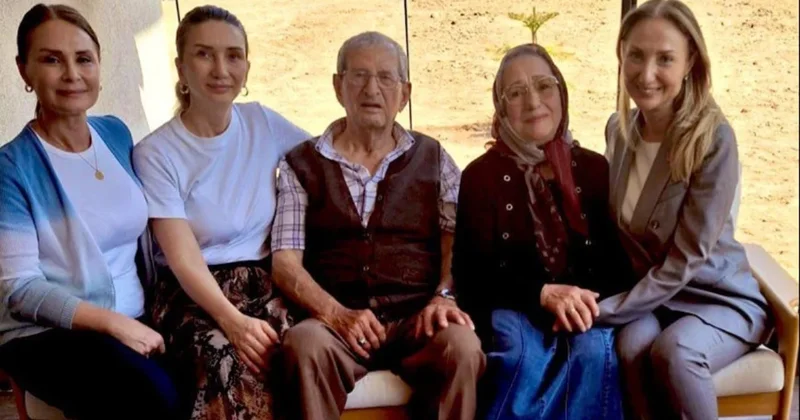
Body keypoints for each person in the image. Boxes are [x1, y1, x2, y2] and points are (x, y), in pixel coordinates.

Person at [271, 31, 485, 420]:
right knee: (303, 346)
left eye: (386, 77)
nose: (372, 89)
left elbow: (459, 240)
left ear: (404, 94)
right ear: (338, 86)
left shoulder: (433, 157)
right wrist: (335, 314)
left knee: (463, 347)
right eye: (359, 76)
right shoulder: (300, 164)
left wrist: (444, 295)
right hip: (334, 323)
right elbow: (285, 263)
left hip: (416, 319)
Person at [0, 4, 181, 419]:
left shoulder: (115, 133)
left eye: (84, 59)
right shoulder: (11, 168)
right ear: (24, 70)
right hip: (48, 333)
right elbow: (20, 290)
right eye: (51, 60)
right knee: (149, 395)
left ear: (99, 66)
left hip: (137, 314)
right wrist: (114, 324)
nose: (72, 74)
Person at [132, 5, 310, 420]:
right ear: (181, 66)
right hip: (194, 295)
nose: (220, 69)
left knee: (303, 351)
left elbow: (327, 159)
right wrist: (233, 321)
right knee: (227, 361)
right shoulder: (156, 153)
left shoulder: (262, 122)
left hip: (266, 284)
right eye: (204, 54)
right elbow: (183, 259)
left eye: (233, 55)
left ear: (247, 66)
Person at [596, 1, 771, 419]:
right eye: (636, 55)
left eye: (665, 59)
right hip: (653, 297)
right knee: (630, 346)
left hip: (715, 296)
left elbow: (687, 260)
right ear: (621, 54)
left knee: (675, 352)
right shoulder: (619, 131)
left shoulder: (713, 141)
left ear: (690, 61)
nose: (646, 74)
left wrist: (605, 310)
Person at [454, 44, 630, 420]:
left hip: (583, 308)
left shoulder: (593, 169)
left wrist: (578, 300)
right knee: (521, 355)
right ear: (501, 110)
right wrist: (542, 294)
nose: (533, 102)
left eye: (544, 86)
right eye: (516, 93)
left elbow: (616, 264)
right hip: (514, 307)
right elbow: (472, 278)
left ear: (561, 92)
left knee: (593, 351)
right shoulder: (480, 177)